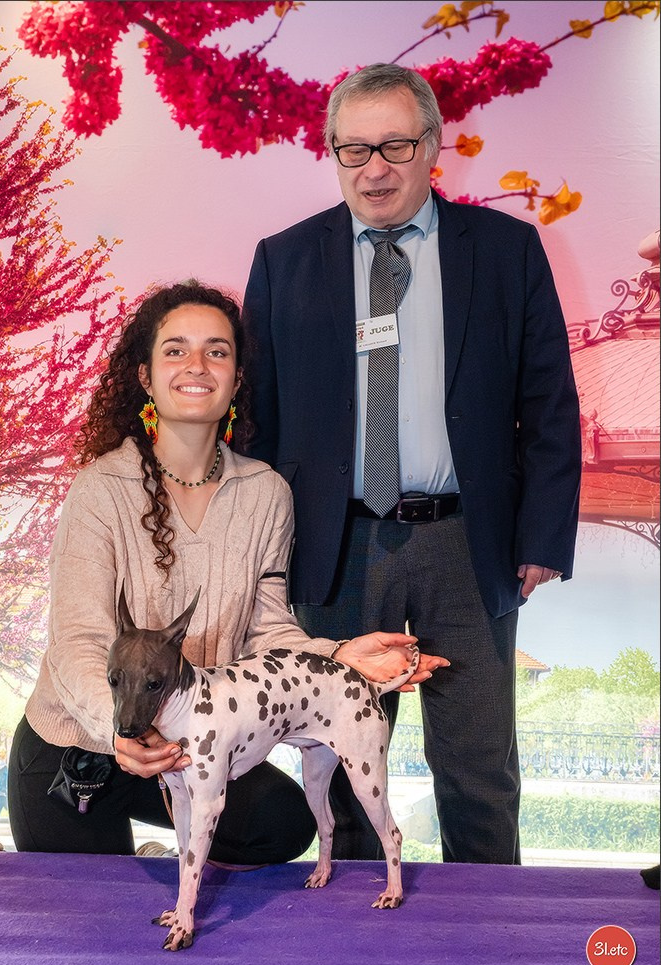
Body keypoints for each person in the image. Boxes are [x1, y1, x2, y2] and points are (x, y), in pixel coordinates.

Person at [241, 63, 582, 864]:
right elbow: (258, 423)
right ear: (331, 153)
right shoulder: (283, 259)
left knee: (476, 766)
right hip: (333, 546)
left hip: (466, 541)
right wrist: (260, 557)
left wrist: (541, 537)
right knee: (340, 760)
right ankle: (353, 938)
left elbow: (548, 402)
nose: (374, 168)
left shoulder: (504, 251)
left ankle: (486, 938)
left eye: (394, 145)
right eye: (351, 149)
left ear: (432, 148)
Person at [7, 279, 449, 862]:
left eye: (217, 351)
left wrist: (336, 656)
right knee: (96, 933)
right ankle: (7, 851)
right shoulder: (98, 491)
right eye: (175, 350)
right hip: (81, 753)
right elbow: (79, 642)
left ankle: (168, 854)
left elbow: (267, 631)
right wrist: (118, 732)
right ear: (144, 375)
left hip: (194, 744)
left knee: (284, 823)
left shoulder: (267, 494)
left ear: (237, 379)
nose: (197, 365)